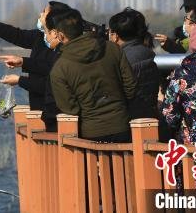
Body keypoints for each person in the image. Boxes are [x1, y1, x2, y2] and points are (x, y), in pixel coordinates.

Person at [0, 2, 69, 131]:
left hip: (58, 117)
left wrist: (20, 74)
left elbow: (50, 74)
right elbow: (16, 35)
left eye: (44, 12)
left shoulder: (65, 49)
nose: (40, 14)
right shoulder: (41, 37)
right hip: (41, 112)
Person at [47, 8, 136, 142]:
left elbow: (70, 108)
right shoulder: (112, 48)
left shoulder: (60, 69)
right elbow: (131, 86)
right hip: (122, 125)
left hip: (90, 133)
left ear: (60, 35)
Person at [108, 8, 160, 120]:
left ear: (115, 36)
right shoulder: (147, 53)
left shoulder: (121, 59)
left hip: (127, 121)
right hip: (149, 118)